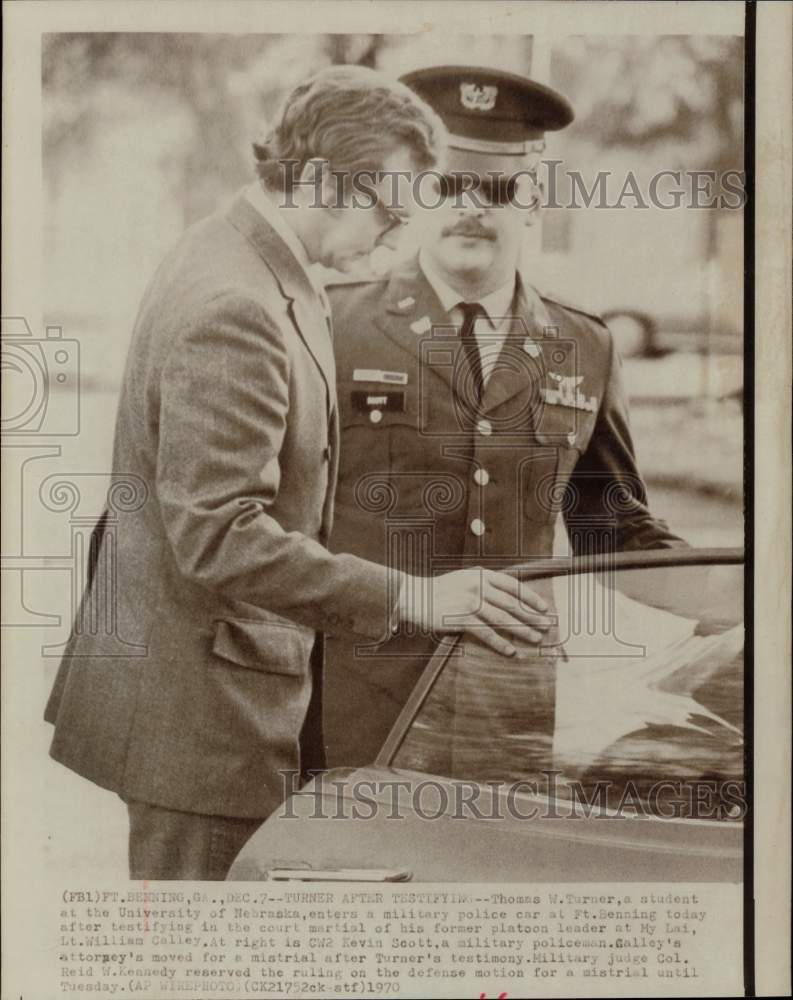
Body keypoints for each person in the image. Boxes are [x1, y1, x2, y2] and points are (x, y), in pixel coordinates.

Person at [44, 65, 553, 880]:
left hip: (203, 700)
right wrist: (411, 594)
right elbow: (218, 536)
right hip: (203, 726)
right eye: (387, 209)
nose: (393, 237)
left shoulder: (244, 259)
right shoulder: (236, 302)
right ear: (318, 178)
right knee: (199, 964)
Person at [325, 65, 686, 767]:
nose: (472, 208)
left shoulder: (585, 346)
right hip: (355, 697)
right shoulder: (333, 322)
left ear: (532, 201)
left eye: (497, 189)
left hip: (505, 708)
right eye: (449, 185)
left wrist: (741, 586)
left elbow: (609, 525)